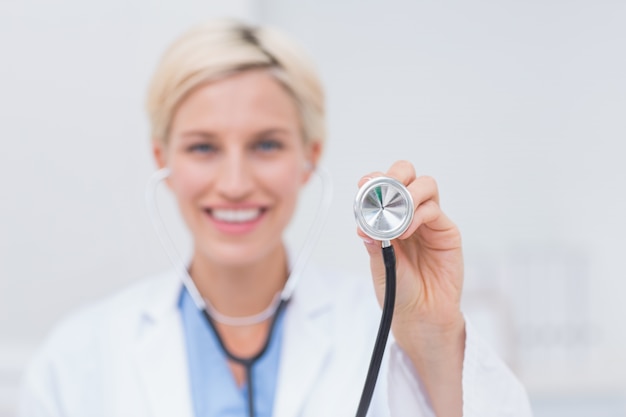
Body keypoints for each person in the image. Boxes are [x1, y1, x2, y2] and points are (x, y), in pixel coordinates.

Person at [18, 18, 532, 417]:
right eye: (202, 147)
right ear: (163, 160)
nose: (237, 181)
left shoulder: (381, 328)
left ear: (310, 156)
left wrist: (432, 335)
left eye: (266, 144)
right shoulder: (80, 355)